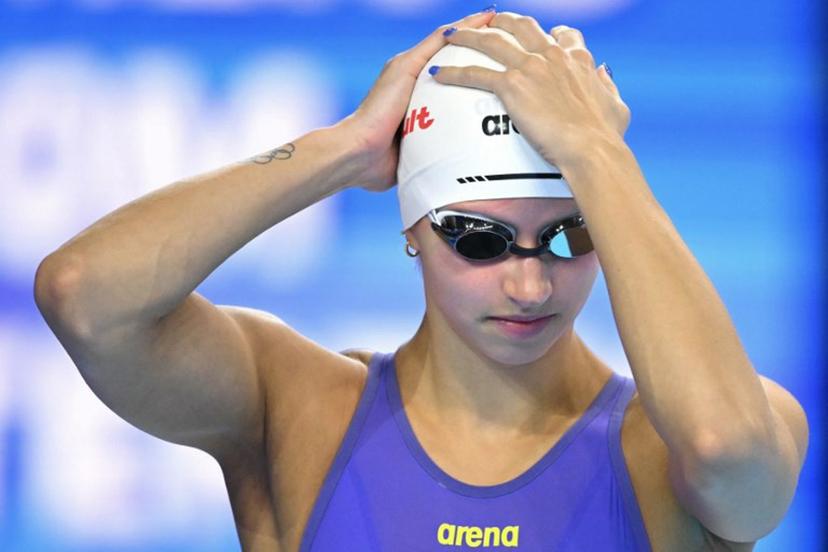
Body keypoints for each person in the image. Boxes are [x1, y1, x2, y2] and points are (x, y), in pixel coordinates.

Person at [33, 6, 808, 552]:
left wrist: (599, 157)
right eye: (480, 239)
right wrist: (340, 150)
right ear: (413, 224)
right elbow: (86, 295)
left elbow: (726, 448)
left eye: (571, 235)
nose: (530, 286)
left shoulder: (666, 450)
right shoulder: (300, 411)